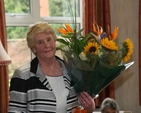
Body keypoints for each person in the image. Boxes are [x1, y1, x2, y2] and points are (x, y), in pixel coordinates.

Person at [8, 22, 95, 113]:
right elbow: (15, 111)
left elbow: (79, 106)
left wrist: (90, 108)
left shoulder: (71, 70)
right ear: (34, 48)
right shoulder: (23, 75)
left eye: (49, 39)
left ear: (54, 41)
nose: (47, 45)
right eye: (40, 42)